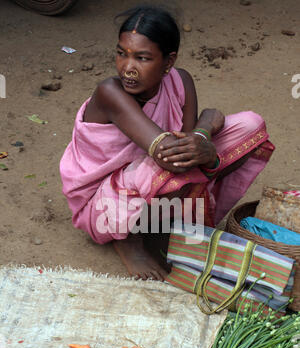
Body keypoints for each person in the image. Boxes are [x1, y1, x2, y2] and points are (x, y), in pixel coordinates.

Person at [59, 5, 274, 282]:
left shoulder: (181, 81)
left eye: (142, 58)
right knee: (168, 165)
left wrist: (201, 141)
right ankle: (128, 240)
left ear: (168, 62)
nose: (128, 68)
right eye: (121, 54)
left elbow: (189, 152)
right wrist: (205, 127)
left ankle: (162, 227)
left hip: (157, 185)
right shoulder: (109, 93)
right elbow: (169, 156)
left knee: (249, 125)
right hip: (104, 206)